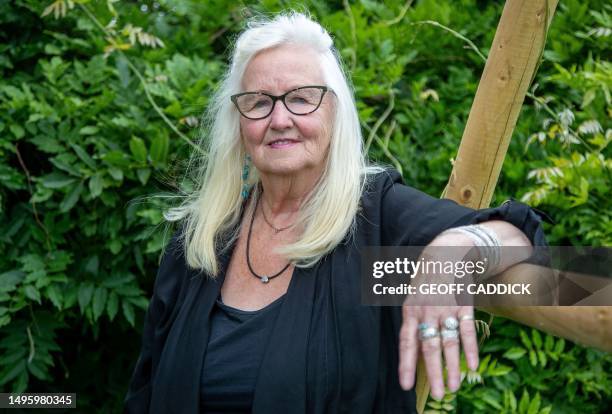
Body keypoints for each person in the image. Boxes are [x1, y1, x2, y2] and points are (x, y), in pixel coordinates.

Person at [124, 12, 547, 414]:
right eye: (258, 103)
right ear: (238, 122)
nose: (280, 119)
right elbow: (144, 390)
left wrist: (454, 252)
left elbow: (549, 259)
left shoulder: (375, 219)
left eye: (301, 99)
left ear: (334, 111)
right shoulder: (206, 236)